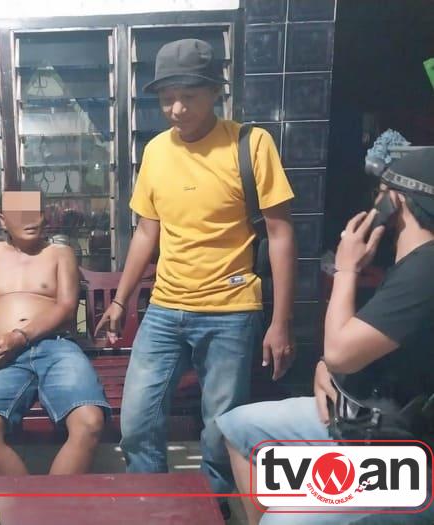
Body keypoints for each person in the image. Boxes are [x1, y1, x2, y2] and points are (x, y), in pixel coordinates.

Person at [94, 38, 296, 496]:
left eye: (188, 96)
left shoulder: (251, 144)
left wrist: (280, 322)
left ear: (215, 92)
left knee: (219, 432)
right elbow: (147, 231)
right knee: (136, 422)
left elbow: (281, 234)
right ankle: (151, 504)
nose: (177, 109)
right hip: (165, 309)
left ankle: (215, 509)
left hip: (231, 310)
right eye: (167, 99)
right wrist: (121, 300)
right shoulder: (156, 151)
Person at [217, 148, 434, 524]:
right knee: (240, 427)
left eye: (380, 193)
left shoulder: (425, 272)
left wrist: (345, 269)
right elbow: (363, 343)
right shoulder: (410, 265)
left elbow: (340, 351)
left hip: (406, 453)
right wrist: (327, 364)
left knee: (284, 519)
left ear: (395, 202)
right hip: (366, 418)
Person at [0, 190, 110, 475]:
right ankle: (32, 501)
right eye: (20, 214)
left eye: (36, 213)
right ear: (3, 220)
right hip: (0, 351)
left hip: (56, 347)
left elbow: (66, 308)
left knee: (89, 422)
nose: (30, 220)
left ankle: (49, 502)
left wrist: (19, 336)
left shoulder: (60, 253)